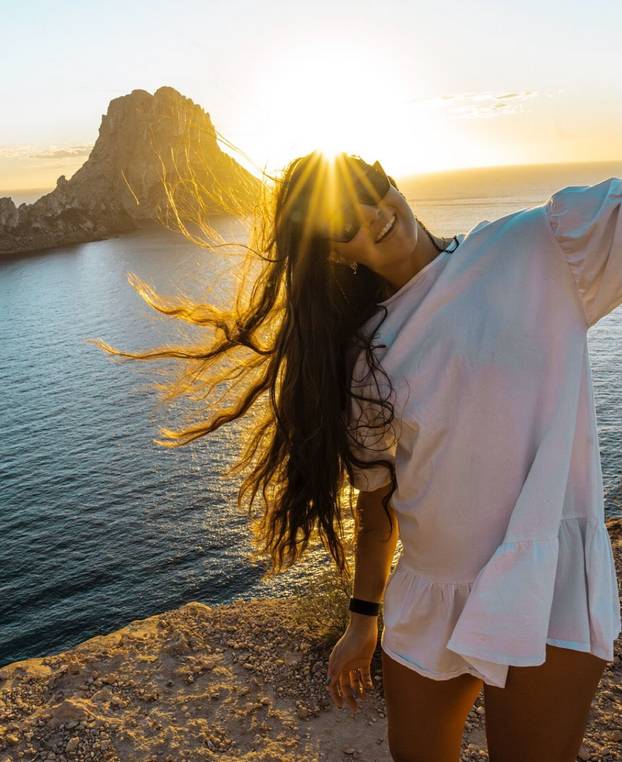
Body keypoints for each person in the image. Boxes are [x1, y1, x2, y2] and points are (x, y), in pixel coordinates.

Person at [92, 150, 622, 762]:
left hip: (546, 576)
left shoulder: (542, 244)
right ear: (337, 253)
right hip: (429, 591)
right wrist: (363, 618)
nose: (370, 214)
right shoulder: (369, 353)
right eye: (342, 222)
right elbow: (379, 505)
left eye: (369, 189)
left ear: (391, 181)